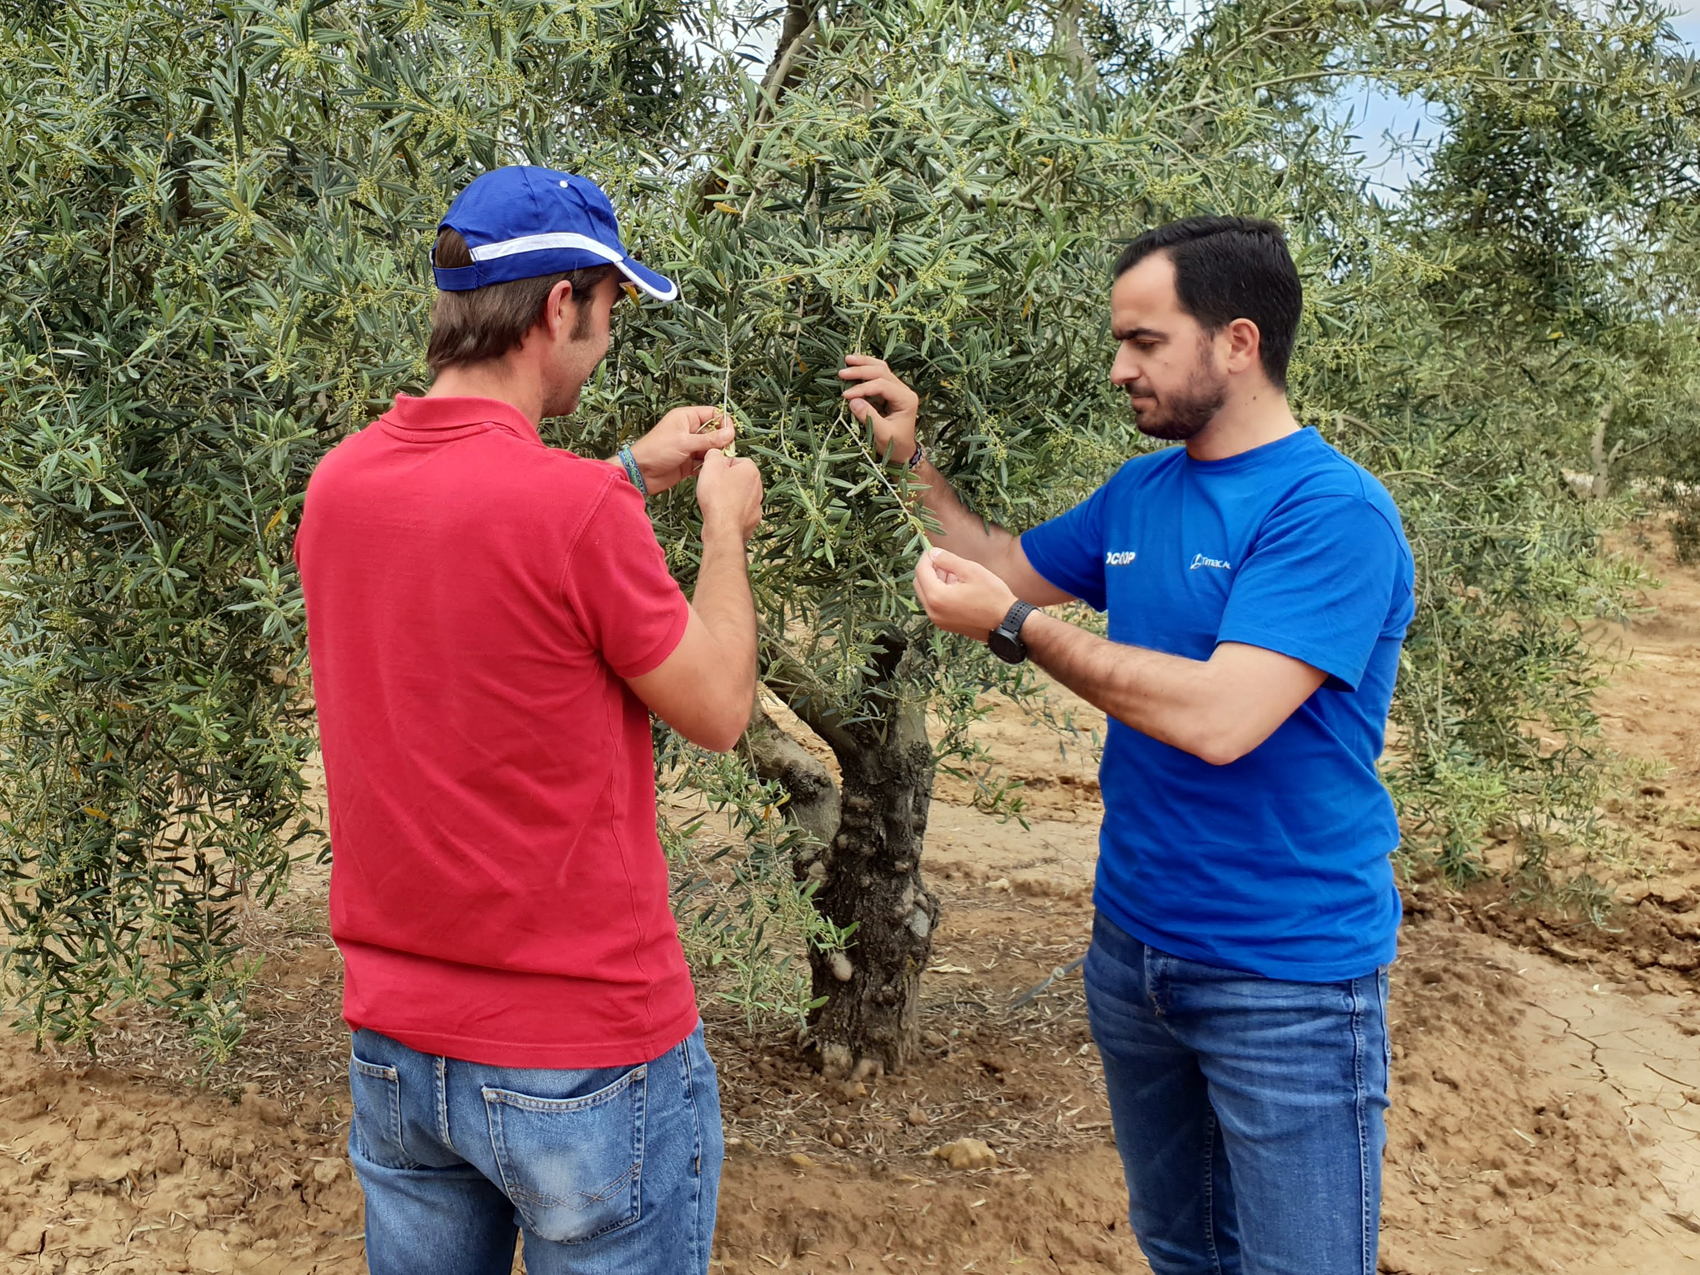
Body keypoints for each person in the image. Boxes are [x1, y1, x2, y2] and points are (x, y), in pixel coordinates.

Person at [839, 216, 1415, 1275]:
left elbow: (1218, 717)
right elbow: (1001, 565)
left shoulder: (1327, 512)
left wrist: (1018, 632)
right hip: (1134, 951)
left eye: (1144, 343)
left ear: (1235, 343)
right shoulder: (1142, 493)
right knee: (1182, 1249)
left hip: (1283, 978)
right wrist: (908, 458)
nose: (1117, 369)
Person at [296, 166, 764, 1275]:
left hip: (399, 1051)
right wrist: (723, 527)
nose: (604, 342)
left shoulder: (339, 484)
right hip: (584, 1057)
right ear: (561, 306)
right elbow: (718, 709)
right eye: (608, 313)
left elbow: (478, 539)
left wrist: (624, 473)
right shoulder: (574, 511)